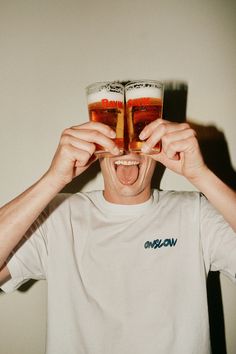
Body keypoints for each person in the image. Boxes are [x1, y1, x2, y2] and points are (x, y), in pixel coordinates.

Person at [0, 118, 235, 354]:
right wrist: (54, 179)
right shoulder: (58, 216)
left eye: (139, 134)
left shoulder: (195, 212)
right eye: (116, 135)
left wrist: (201, 175)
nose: (125, 148)